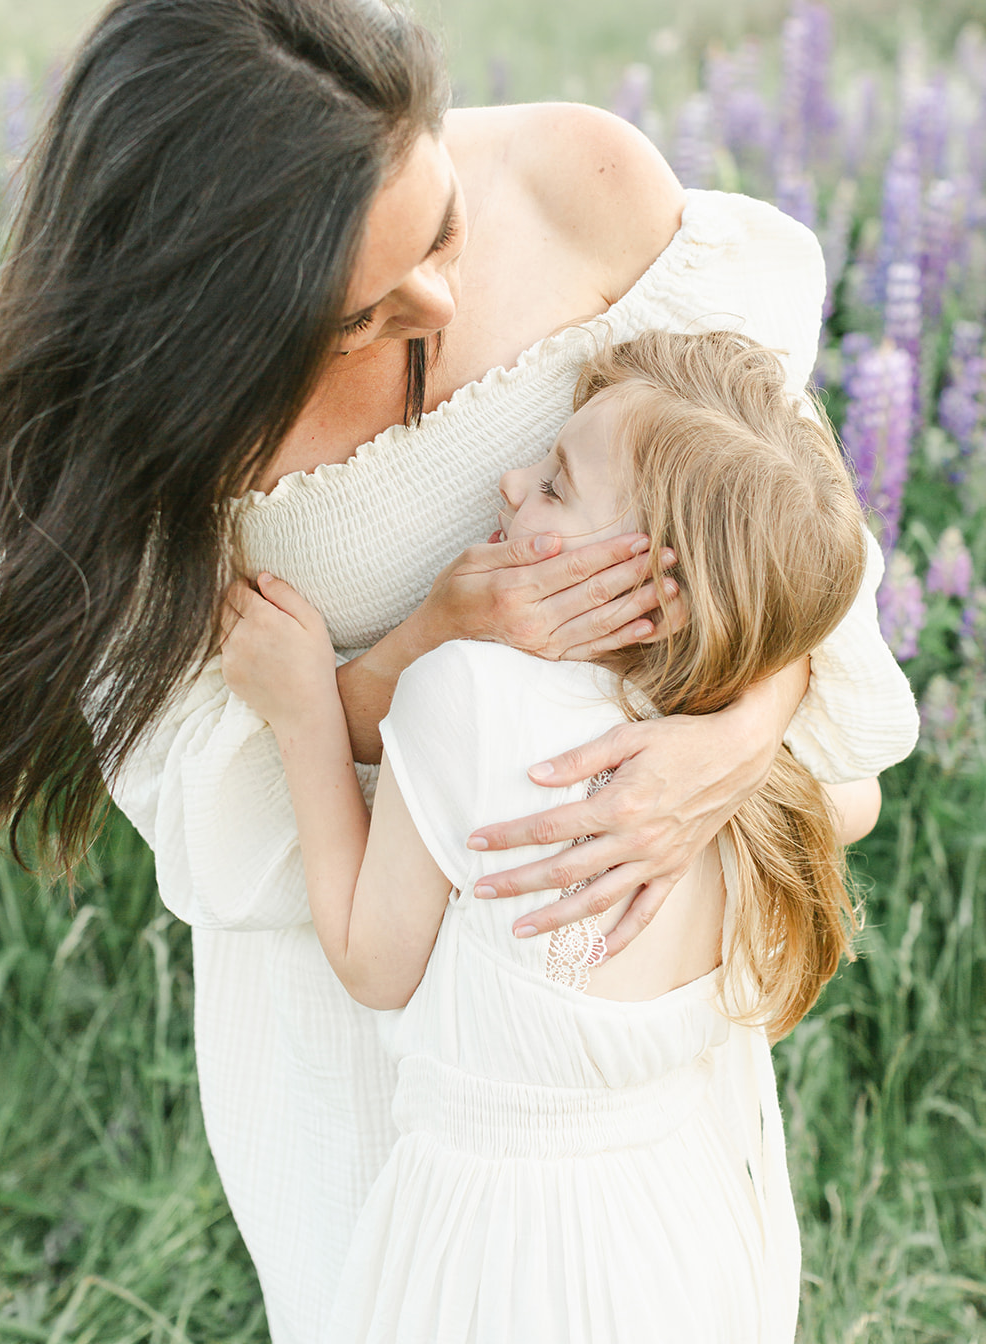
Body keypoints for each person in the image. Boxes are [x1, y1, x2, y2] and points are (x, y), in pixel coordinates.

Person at [0, 0, 917, 1342]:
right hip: (350, 991)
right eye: (361, 312)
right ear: (205, 321)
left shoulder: (587, 189)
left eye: (444, 227)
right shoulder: (126, 441)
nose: (439, 306)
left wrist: (723, 744)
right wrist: (423, 647)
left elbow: (778, 530)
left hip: (597, 988)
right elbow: (212, 798)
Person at [220, 326, 880, 1343]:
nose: (514, 480)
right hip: (677, 1224)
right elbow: (855, 799)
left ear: (656, 589)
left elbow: (372, 959)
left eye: (560, 486)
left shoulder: (466, 697)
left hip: (492, 1247)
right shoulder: (741, 785)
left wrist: (305, 709)